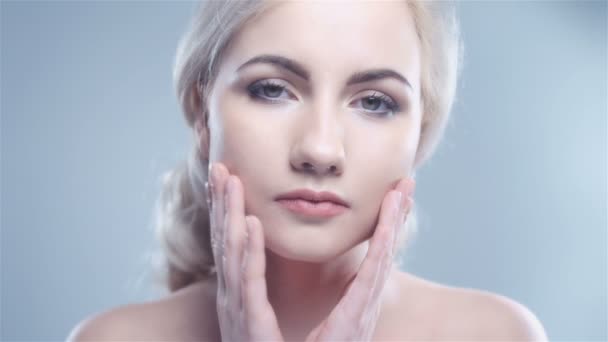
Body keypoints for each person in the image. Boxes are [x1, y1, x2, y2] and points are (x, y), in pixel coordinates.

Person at [68, 1, 548, 341]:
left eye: (375, 102)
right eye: (273, 89)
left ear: (420, 136)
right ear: (202, 113)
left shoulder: (498, 335)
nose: (320, 149)